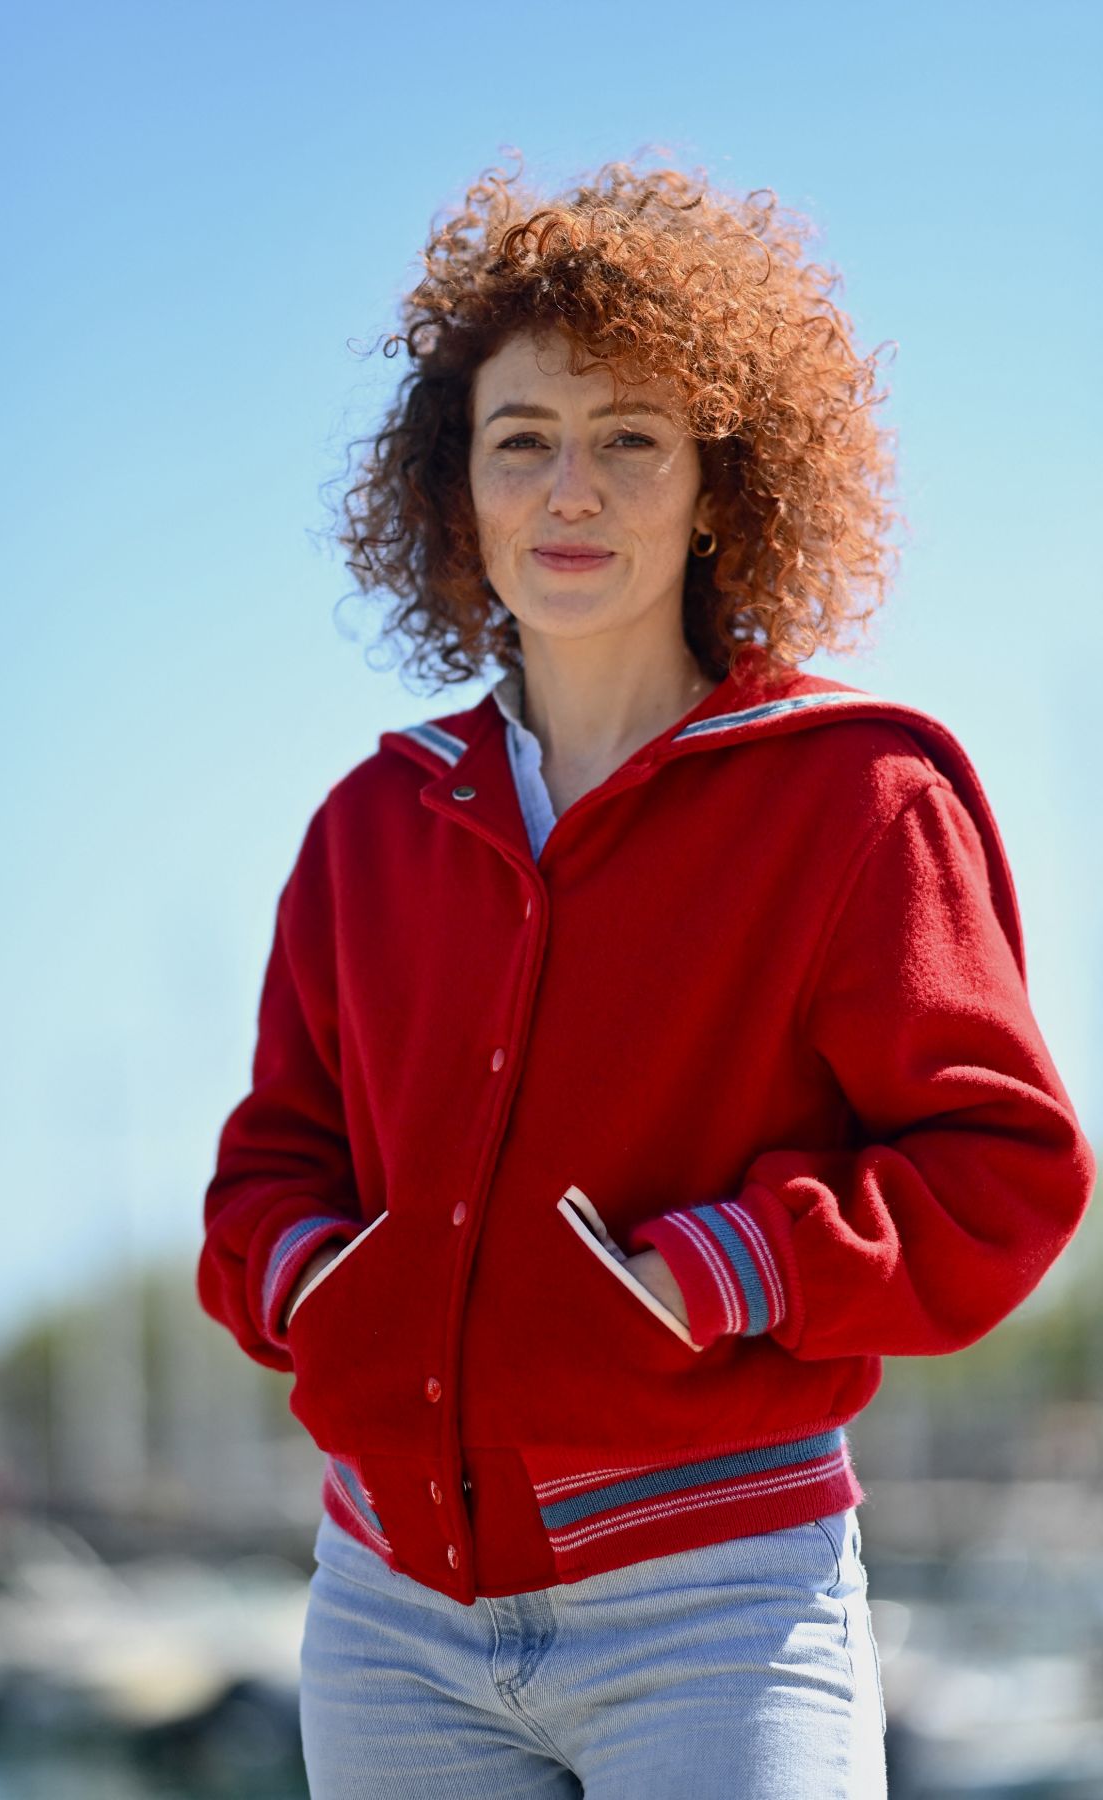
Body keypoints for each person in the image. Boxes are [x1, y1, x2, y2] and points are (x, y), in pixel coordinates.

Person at [196, 156, 1095, 1798]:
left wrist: (733, 1268)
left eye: (632, 441)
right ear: (455, 493)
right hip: (385, 1621)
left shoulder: (854, 796)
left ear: (716, 485)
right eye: (521, 441)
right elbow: (268, 1172)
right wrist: (315, 1281)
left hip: (718, 1612)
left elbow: (1002, 1170)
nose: (572, 492)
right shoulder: (371, 827)